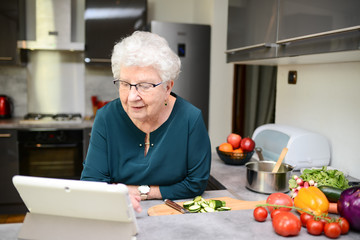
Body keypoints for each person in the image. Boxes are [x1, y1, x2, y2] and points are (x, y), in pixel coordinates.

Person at [81, 31, 211, 212]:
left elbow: (195, 184)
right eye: (125, 84)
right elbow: (92, 184)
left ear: (167, 87)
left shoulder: (190, 119)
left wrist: (139, 191)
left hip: (172, 217)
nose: (133, 96)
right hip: (119, 213)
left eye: (144, 86)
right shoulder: (106, 118)